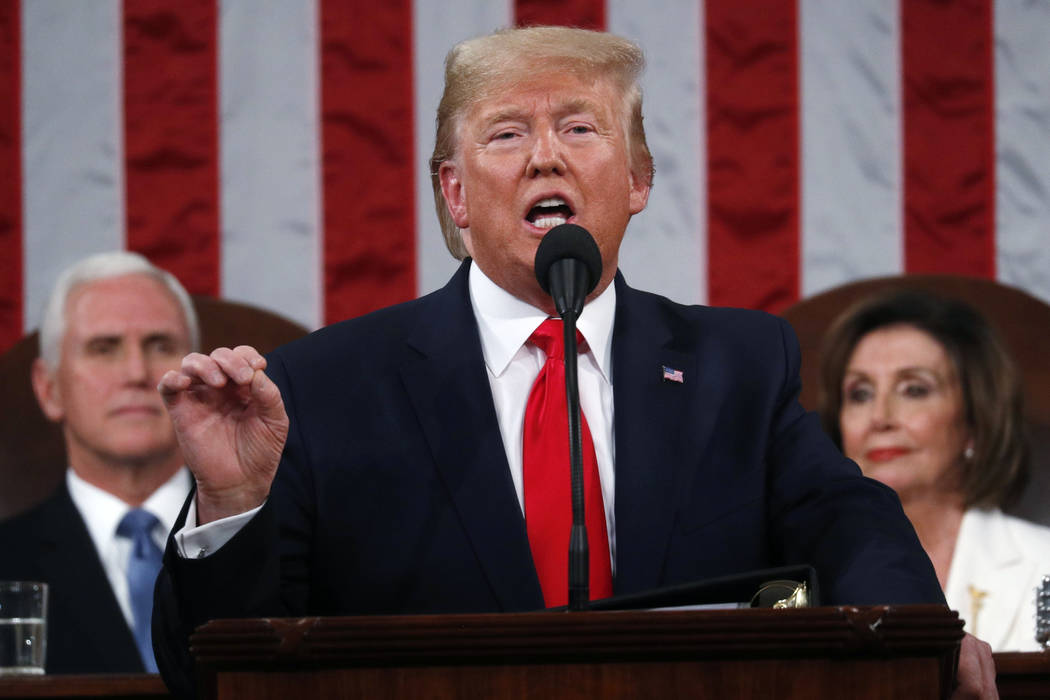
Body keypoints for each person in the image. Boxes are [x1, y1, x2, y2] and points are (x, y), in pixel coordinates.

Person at [154, 27, 996, 698]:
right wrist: (233, 503)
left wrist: (918, 639)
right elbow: (211, 675)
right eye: (508, 133)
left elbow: (851, 523)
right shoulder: (324, 387)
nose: (545, 156)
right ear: (454, 194)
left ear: (637, 179)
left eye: (579, 128)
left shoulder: (736, 365)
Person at [819, 288, 1050, 652]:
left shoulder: (1044, 560)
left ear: (975, 421)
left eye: (914, 390)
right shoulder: (800, 576)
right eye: (860, 394)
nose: (879, 418)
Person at [0, 252, 197, 674]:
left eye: (160, 345)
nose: (136, 372)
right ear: (49, 387)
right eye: (103, 348)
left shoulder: (278, 545)